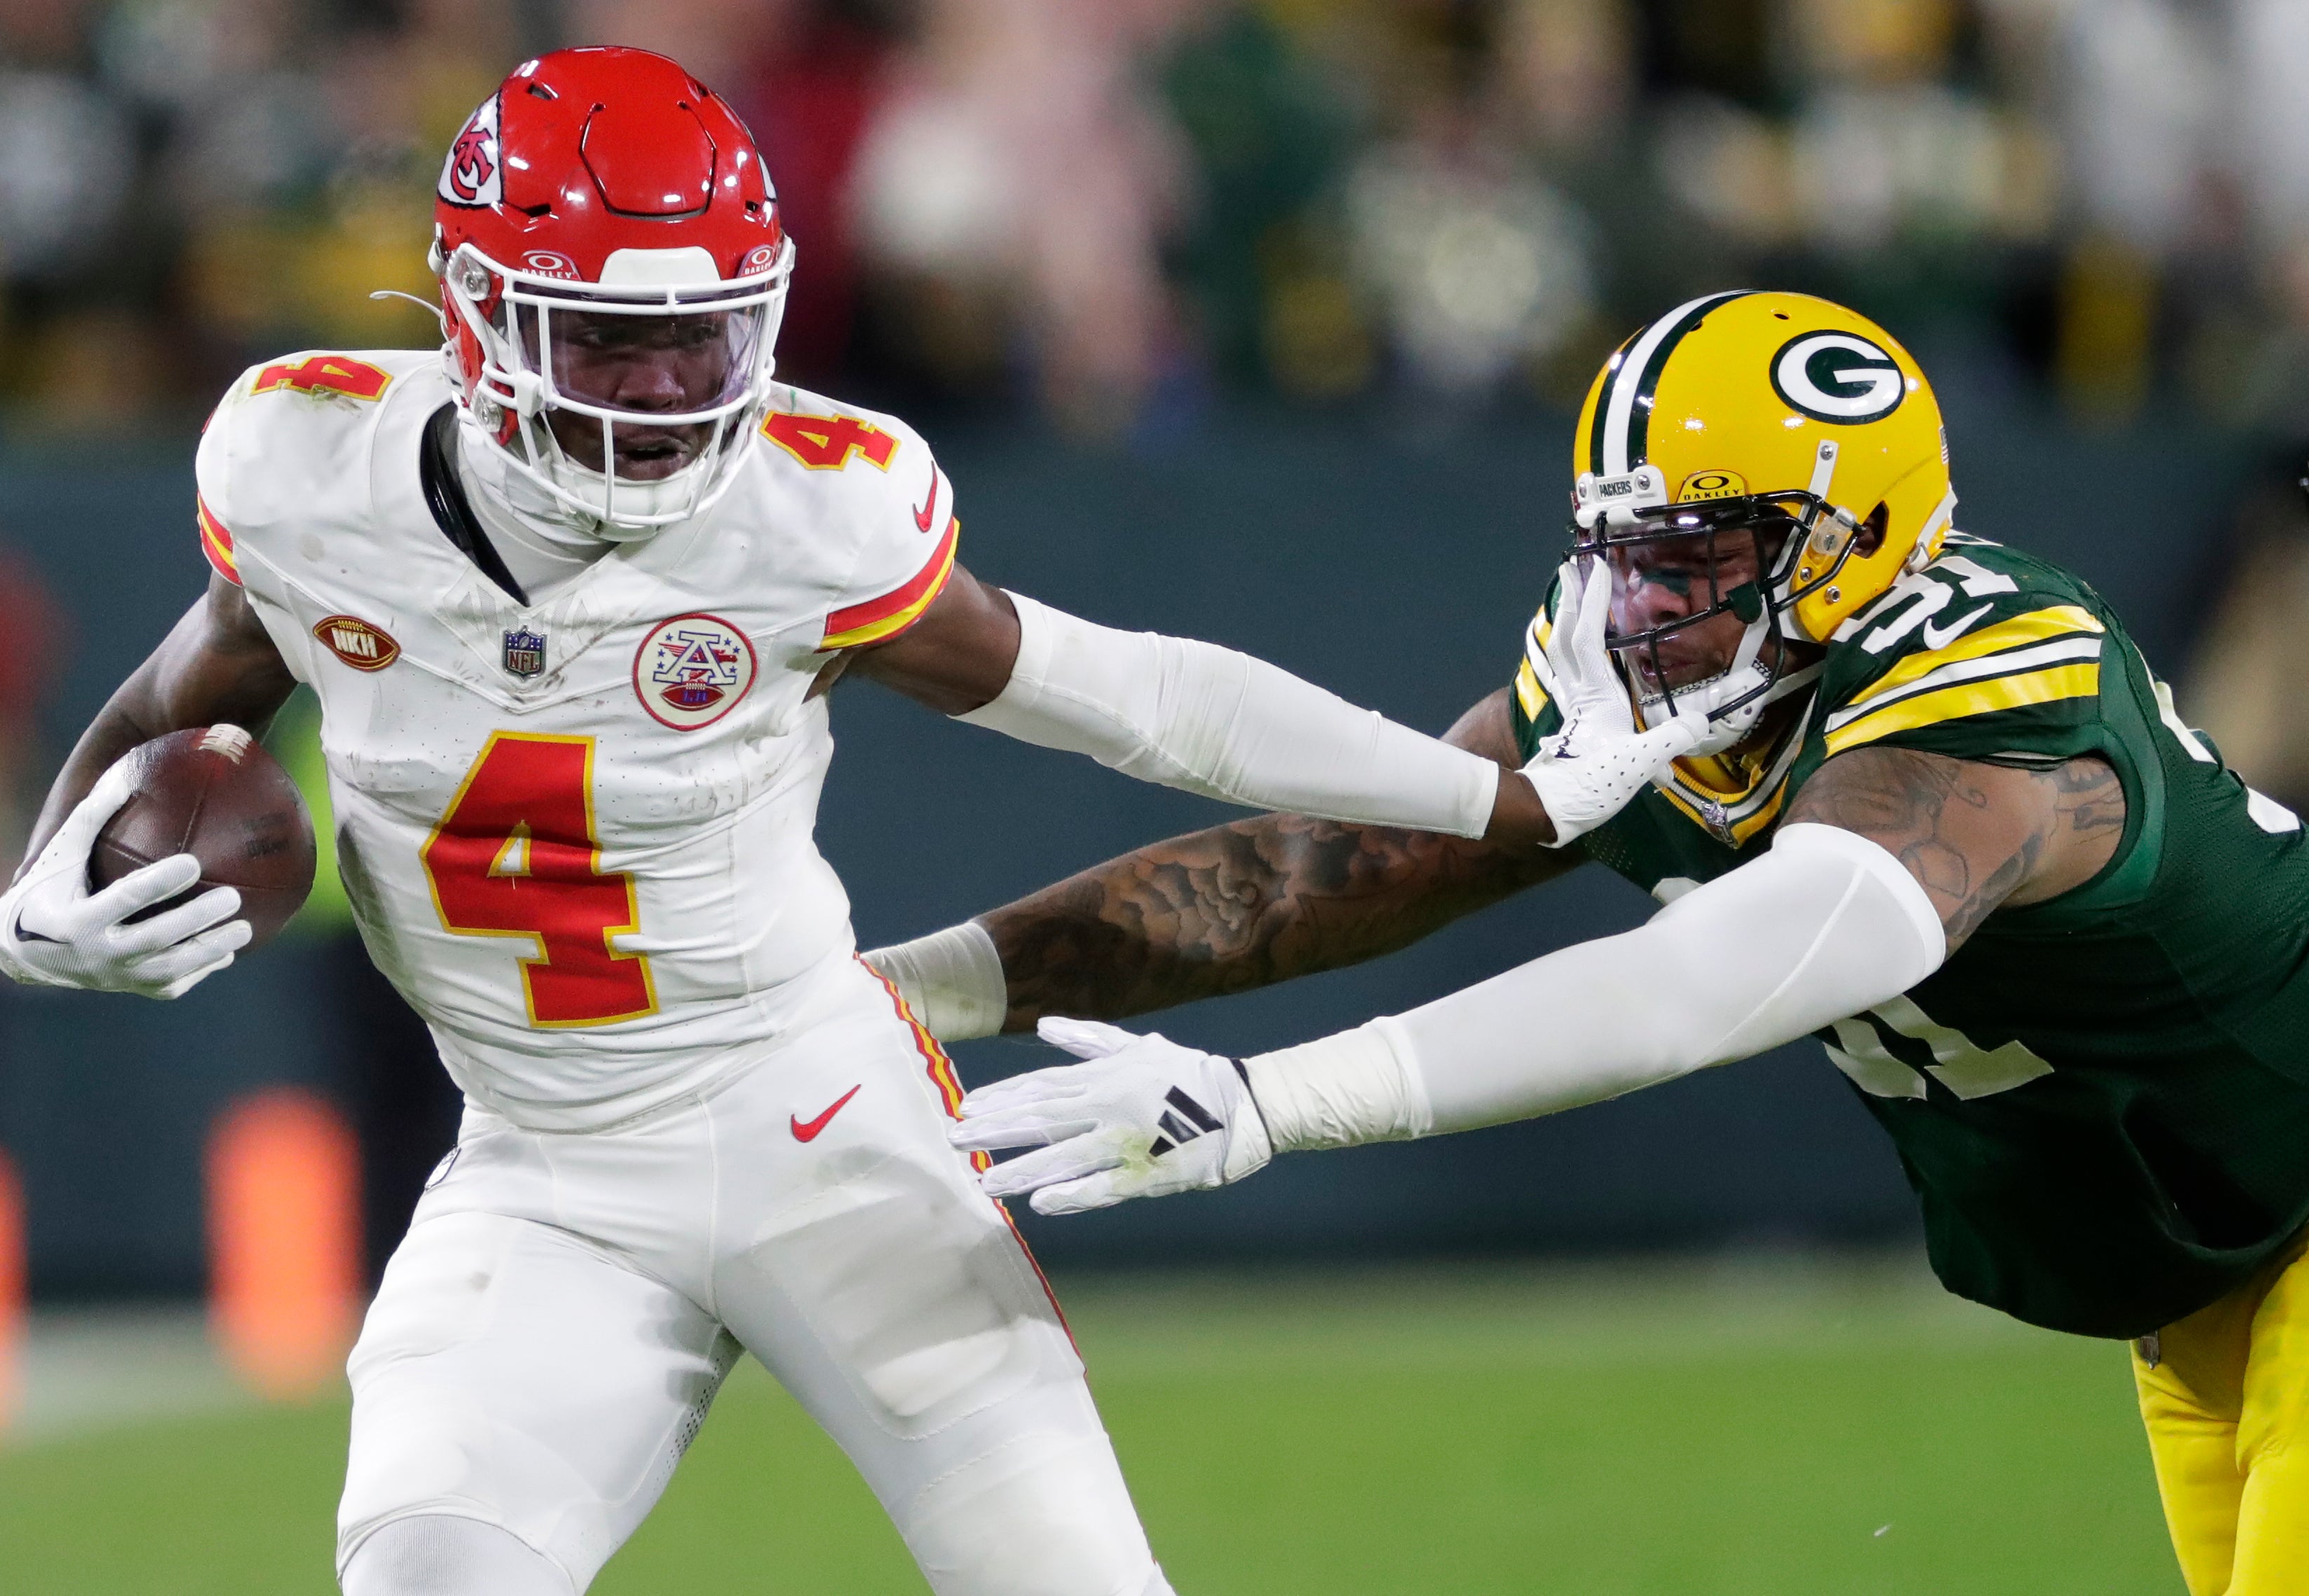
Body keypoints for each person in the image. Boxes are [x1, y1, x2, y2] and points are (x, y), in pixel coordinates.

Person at [0, 47, 1703, 1596]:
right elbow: (172, 708)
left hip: (818, 1123)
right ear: (473, 311)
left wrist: (1494, 792)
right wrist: (37, 896)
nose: (666, 391)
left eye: (701, 336)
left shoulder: (810, 511)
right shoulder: (308, 471)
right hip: (541, 1171)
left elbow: (1138, 698)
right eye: (610, 339)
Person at [870, 290, 2309, 1596]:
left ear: (1853, 541)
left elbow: (1706, 979)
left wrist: (1266, 1102)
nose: (1643, 611)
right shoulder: (1661, 693)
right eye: (1621, 557)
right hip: (2208, 1276)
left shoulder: (1985, 680)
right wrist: (905, 991)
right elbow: (1310, 874)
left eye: (1695, 557)